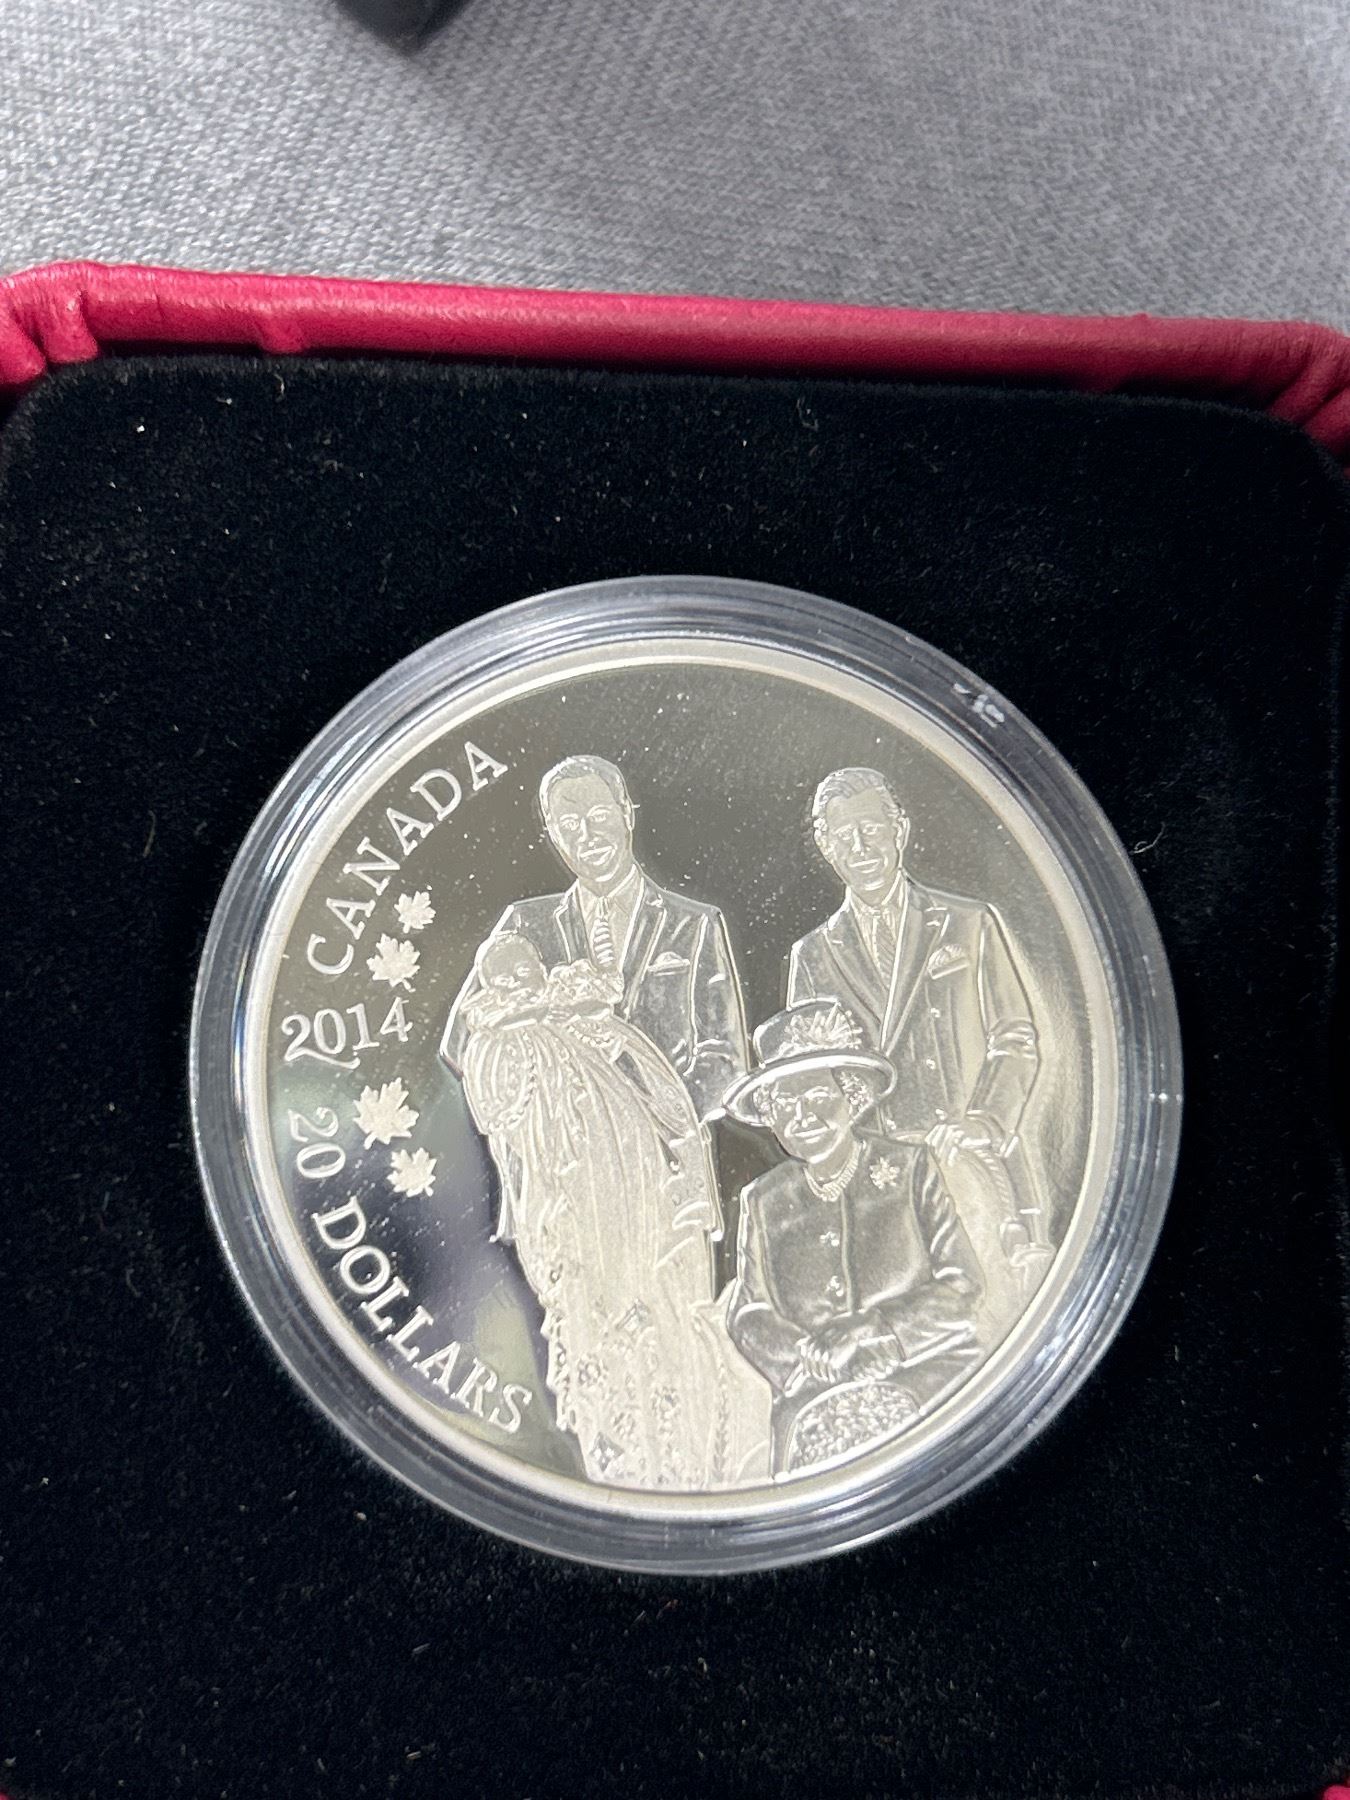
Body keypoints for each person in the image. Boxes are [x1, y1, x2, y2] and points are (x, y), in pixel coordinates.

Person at [455, 933, 769, 1489]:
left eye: (527, 972)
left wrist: (600, 1033)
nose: (521, 985)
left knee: (664, 1326)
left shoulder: (595, 1031)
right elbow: (496, 1103)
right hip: (570, 1218)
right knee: (599, 1336)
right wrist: (528, 1023)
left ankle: (687, 1446)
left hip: (645, 1208)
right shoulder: (496, 1045)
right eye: (506, 978)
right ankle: (624, 1456)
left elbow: (670, 1107)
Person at [787, 766, 1051, 1339]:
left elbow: (1013, 1036)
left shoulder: (968, 924)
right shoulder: (812, 954)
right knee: (902, 1336)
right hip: (880, 1182)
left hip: (969, 1163)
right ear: (826, 848)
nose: (861, 846)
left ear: (900, 829)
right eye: (844, 835)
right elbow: (811, 1080)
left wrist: (983, 1121)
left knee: (998, 1324)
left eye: (872, 828)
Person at [723, 1000, 983, 1476]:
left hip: (929, 1374)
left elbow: (963, 1286)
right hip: (813, 1393)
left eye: (816, 1095)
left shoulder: (909, 1168)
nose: (801, 1115)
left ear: (853, 1096)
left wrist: (871, 1331)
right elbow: (749, 1312)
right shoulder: (763, 1199)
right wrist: (812, 1358)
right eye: (784, 1104)